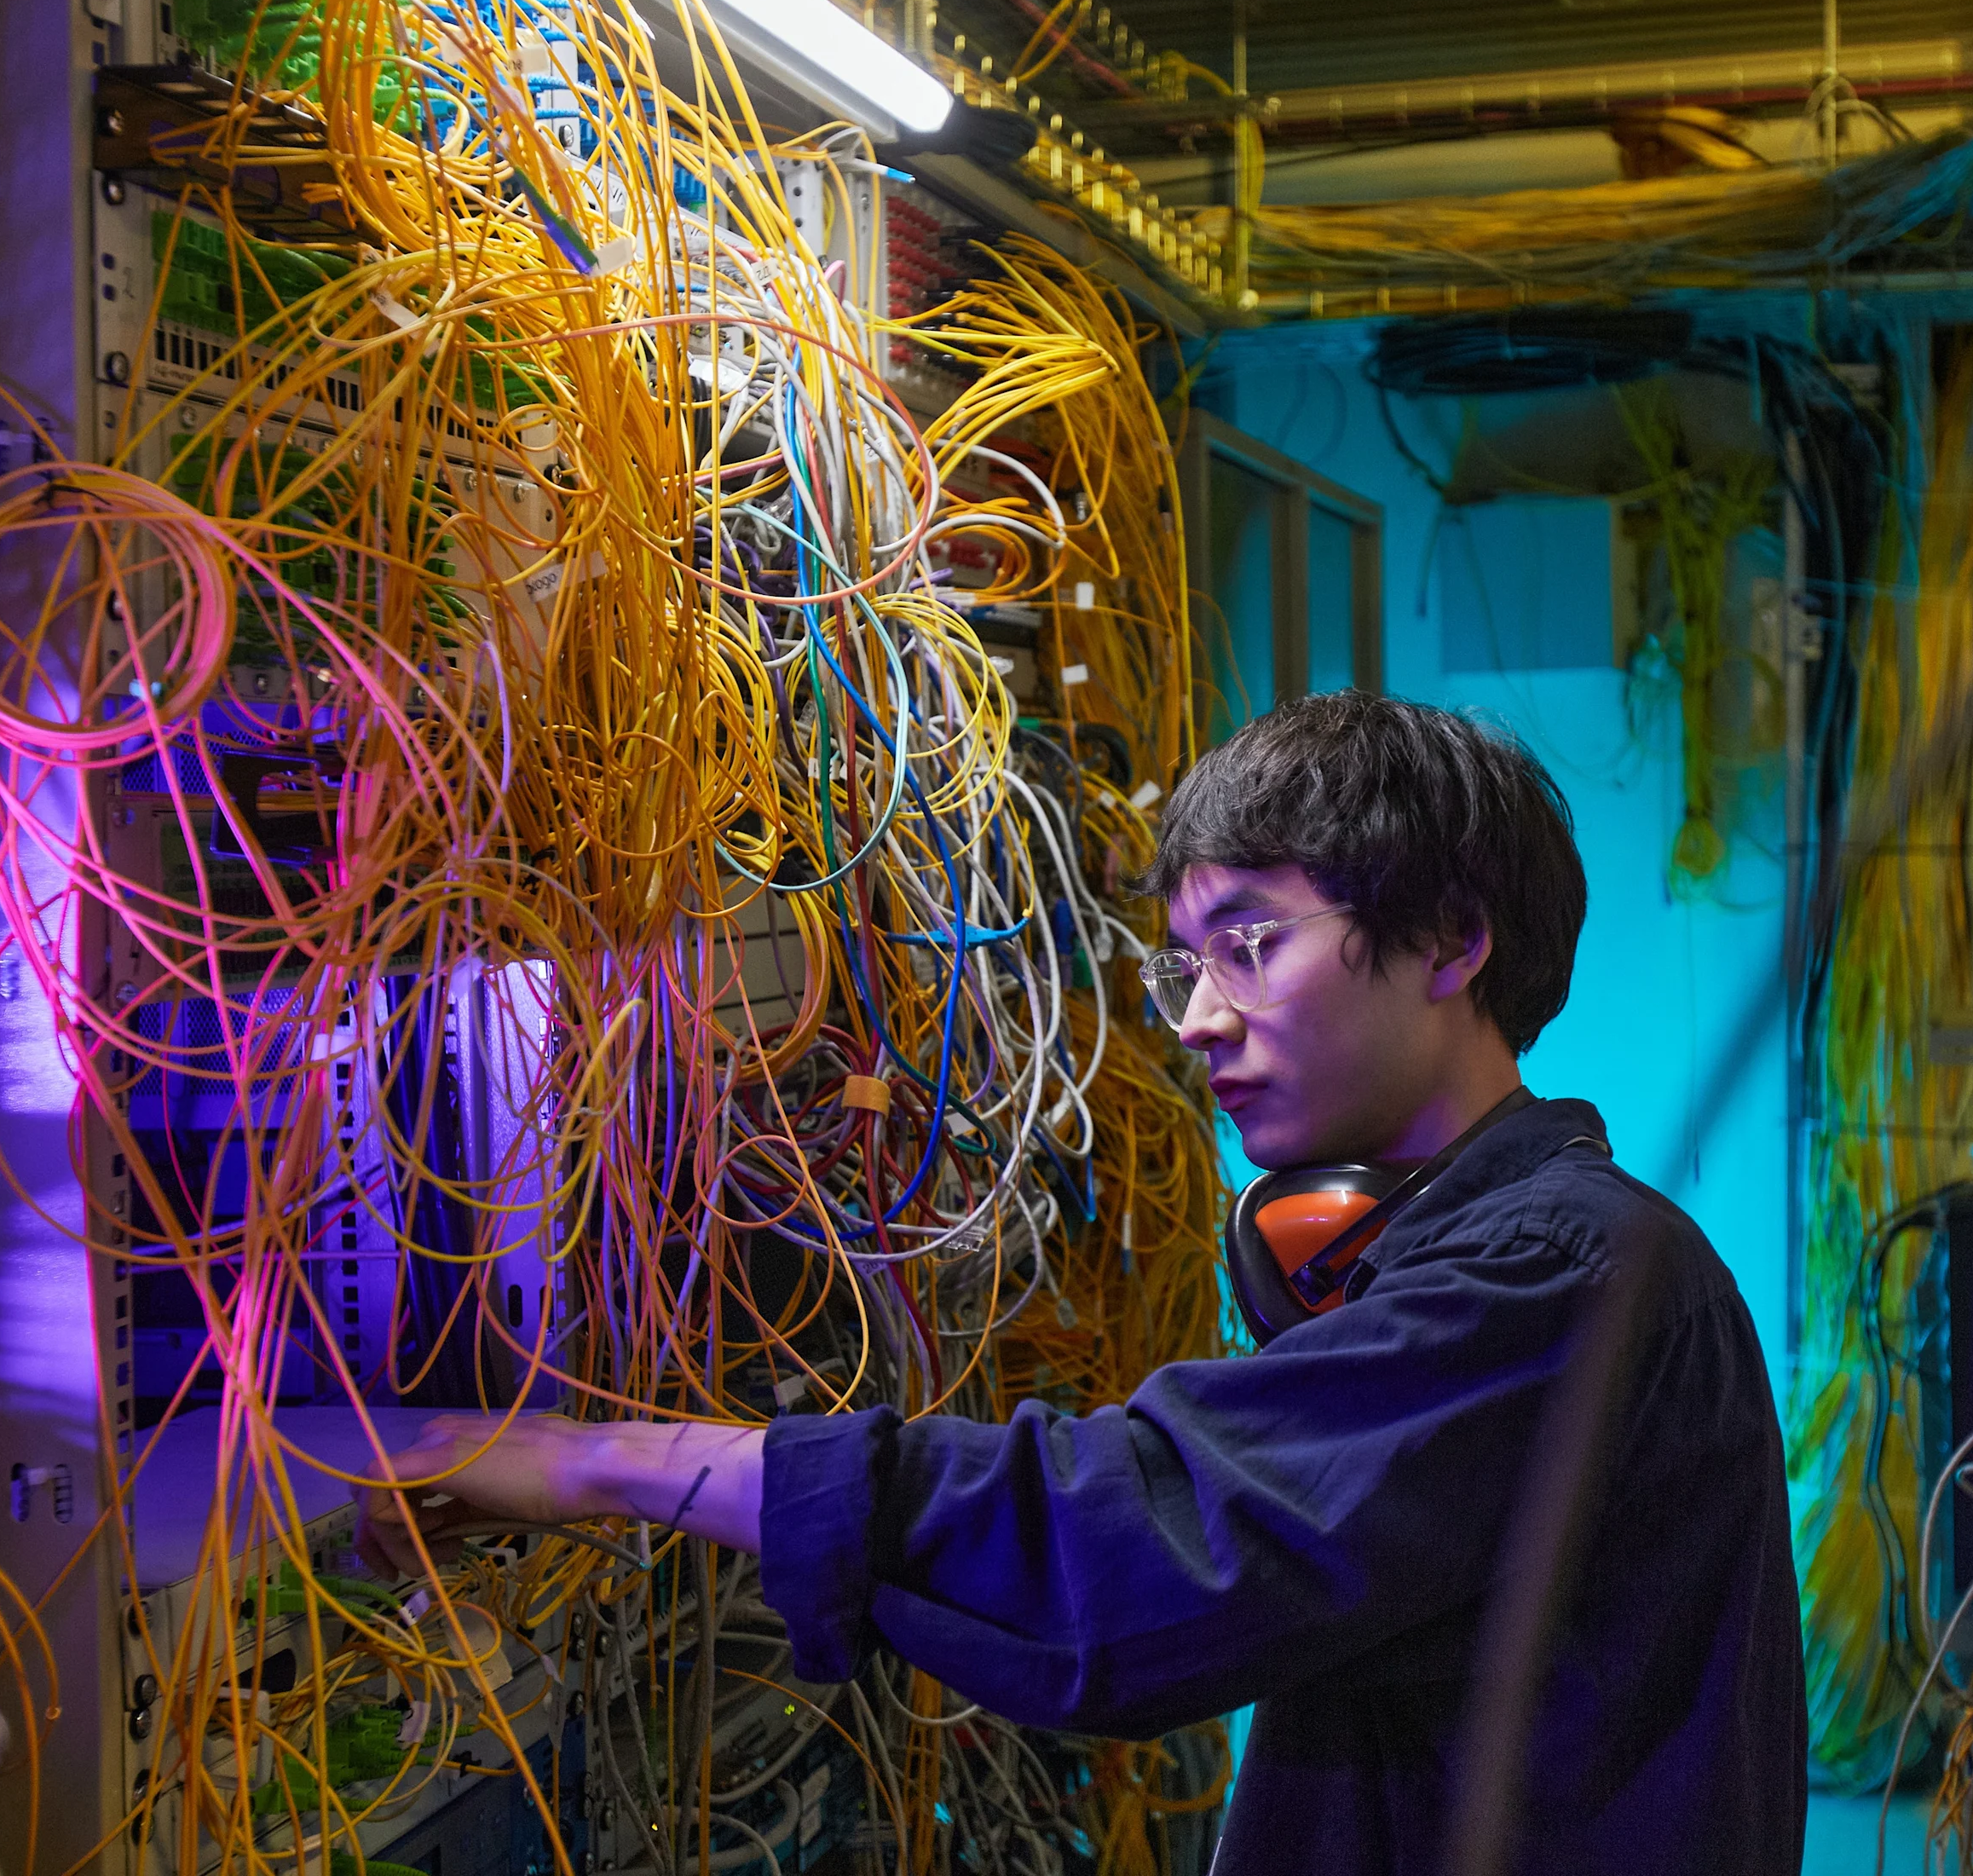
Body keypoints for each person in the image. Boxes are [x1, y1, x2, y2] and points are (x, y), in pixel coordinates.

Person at [360, 691, 1805, 1874]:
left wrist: (590, 1460)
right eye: (1183, 960)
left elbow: (1132, 1557)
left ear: (1450, 944)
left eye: (1249, 945)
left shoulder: (1552, 1277)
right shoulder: (1472, 1253)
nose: (1192, 1019)